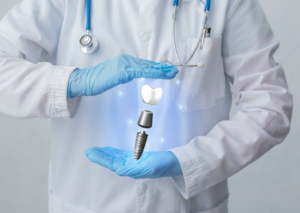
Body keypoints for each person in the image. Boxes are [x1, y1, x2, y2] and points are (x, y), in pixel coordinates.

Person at [0, 0, 293, 212]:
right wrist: (75, 81)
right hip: (85, 201)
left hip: (186, 205)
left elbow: (270, 105)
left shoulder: (227, 3)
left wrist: (188, 162)